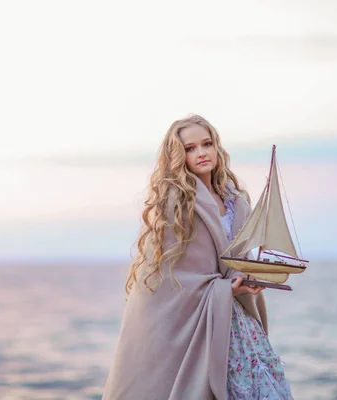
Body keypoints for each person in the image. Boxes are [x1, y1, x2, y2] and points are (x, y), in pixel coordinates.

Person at [102, 114, 293, 399]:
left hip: (237, 319)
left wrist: (251, 277)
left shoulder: (236, 200)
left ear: (217, 147)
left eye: (206, 144)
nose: (201, 152)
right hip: (201, 318)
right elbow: (172, 278)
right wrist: (225, 288)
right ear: (179, 156)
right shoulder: (174, 204)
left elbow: (241, 257)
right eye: (190, 148)